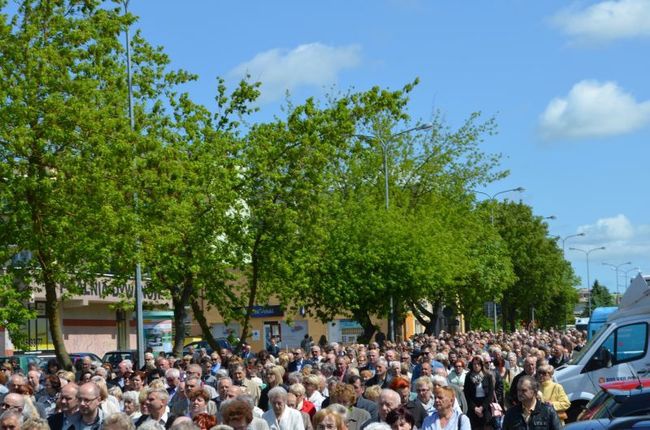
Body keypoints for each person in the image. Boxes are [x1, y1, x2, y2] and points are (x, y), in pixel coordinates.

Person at [463, 355, 494, 430]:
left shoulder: (488, 376)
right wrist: (475, 408)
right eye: (474, 364)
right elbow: (467, 394)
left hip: (485, 406)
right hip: (473, 405)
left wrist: (482, 408)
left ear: (482, 365)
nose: (476, 366)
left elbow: (490, 394)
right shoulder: (468, 376)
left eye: (478, 364)